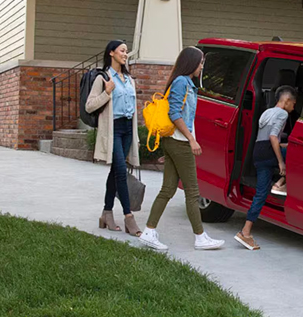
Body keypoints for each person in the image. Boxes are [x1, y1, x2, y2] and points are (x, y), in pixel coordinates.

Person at [139, 46, 225, 251]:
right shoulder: (181, 83)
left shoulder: (185, 83)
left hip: (174, 141)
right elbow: (175, 113)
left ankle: (149, 232)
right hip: (179, 142)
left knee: (168, 189)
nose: (202, 66)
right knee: (193, 192)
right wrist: (191, 139)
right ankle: (200, 237)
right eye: (201, 62)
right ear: (191, 63)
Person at [86, 40, 141, 237]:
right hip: (113, 129)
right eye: (122, 51)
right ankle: (128, 216)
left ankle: (106, 213)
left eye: (126, 51)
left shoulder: (129, 79)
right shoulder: (103, 78)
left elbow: (133, 111)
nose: (125, 54)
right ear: (111, 53)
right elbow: (90, 106)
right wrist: (107, 92)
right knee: (120, 172)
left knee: (117, 171)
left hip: (127, 129)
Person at [235, 86, 297, 250]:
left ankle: (245, 232)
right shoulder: (282, 114)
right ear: (287, 101)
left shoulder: (267, 112)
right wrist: (281, 162)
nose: (293, 108)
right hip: (269, 151)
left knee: (260, 194)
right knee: (297, 156)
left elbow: (267, 138)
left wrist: (284, 146)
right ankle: (281, 182)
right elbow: (273, 136)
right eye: (293, 104)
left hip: (258, 152)